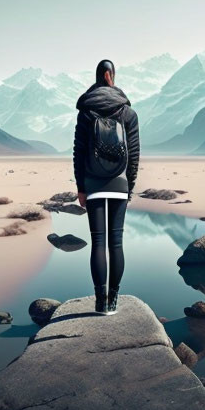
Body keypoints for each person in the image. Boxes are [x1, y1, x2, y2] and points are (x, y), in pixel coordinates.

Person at [72, 59, 140, 315]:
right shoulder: (128, 113)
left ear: (98, 76)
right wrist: (129, 186)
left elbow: (78, 153)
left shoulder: (86, 112)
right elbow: (134, 154)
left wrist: (81, 187)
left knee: (98, 242)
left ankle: (100, 302)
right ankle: (114, 300)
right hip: (119, 183)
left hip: (93, 183)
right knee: (116, 243)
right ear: (112, 76)